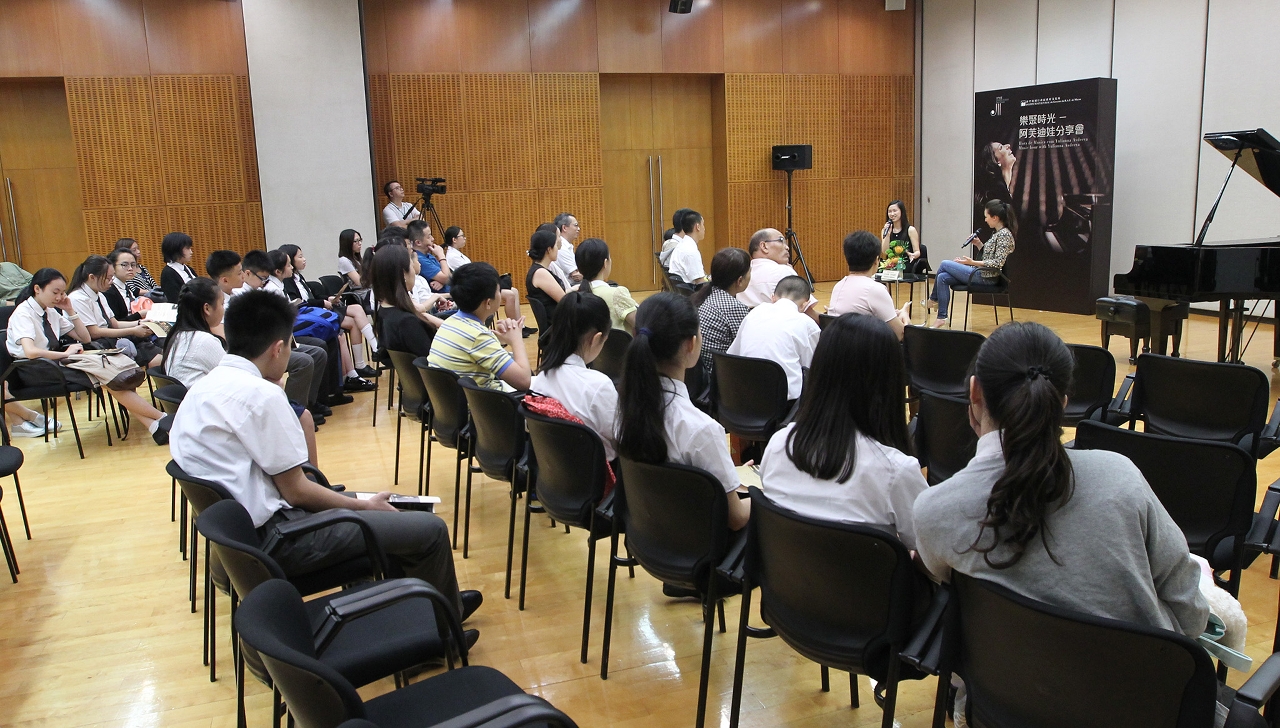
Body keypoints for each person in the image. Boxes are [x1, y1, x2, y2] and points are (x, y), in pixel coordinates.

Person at [169, 289, 482, 634]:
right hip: (283, 539)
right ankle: (439, 632)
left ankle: (419, 611)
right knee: (428, 528)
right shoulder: (260, 395)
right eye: (291, 346)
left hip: (244, 543)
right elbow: (297, 492)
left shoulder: (206, 386)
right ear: (277, 348)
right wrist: (359, 508)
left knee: (388, 515)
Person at [913, 321, 1207, 638]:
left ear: (974, 392)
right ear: (1062, 405)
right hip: (1133, 683)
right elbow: (1190, 616)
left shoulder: (934, 511)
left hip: (1002, 686)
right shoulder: (1121, 479)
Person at [759, 313, 927, 549]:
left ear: (819, 372)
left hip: (787, 583)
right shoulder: (896, 471)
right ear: (890, 383)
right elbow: (933, 558)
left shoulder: (780, 443)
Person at [616, 293, 750, 532]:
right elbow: (737, 518)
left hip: (650, 535)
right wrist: (764, 495)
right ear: (691, 344)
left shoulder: (624, 408)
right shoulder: (702, 430)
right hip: (699, 547)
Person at [6, 268, 169, 444]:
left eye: (62, 292)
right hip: (33, 369)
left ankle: (154, 425)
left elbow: (85, 338)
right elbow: (30, 352)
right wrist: (64, 354)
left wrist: (70, 311)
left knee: (112, 375)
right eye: (55, 292)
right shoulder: (23, 313)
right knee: (107, 375)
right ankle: (161, 418)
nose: (60, 297)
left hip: (53, 362)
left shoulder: (50, 310)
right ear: (37, 289)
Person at [530, 291, 618, 461]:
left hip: (552, 476)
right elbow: (620, 438)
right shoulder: (599, 385)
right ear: (596, 338)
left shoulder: (539, 379)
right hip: (598, 478)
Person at [427, 262, 532, 391]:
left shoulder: (450, 322)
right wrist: (517, 339)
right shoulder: (478, 336)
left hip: (455, 404)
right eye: (498, 291)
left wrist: (501, 339)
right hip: (486, 408)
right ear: (488, 303)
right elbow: (524, 381)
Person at [726, 275, 820, 402]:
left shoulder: (755, 312)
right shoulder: (807, 324)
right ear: (805, 304)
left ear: (773, 298)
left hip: (742, 398)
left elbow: (733, 354)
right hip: (785, 405)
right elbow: (814, 371)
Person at [927, 199, 1016, 328]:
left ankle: (933, 299)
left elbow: (997, 263)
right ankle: (941, 317)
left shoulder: (1004, 235)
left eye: (987, 217)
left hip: (987, 278)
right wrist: (979, 244)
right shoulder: (997, 233)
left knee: (944, 264)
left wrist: (972, 262)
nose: (985, 220)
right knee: (942, 278)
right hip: (983, 274)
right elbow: (990, 255)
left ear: (995, 218)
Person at [67, 255, 164, 368]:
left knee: (163, 352)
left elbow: (115, 323)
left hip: (112, 340)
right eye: (108, 278)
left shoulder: (100, 295)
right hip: (97, 346)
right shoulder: (77, 298)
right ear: (92, 277)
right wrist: (132, 330)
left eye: (112, 278)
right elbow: (94, 332)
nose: (111, 282)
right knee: (158, 360)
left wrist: (140, 323)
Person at [827, 230, 913, 340]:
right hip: (864, 351)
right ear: (876, 261)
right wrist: (905, 316)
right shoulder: (875, 289)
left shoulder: (838, 286)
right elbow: (900, 334)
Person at [371, 244, 442, 358]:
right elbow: (431, 362)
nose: (414, 271)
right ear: (403, 273)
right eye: (411, 266)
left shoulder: (385, 310)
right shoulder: (407, 322)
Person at [442, 226, 524, 324]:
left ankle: (521, 325)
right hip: (473, 289)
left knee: (514, 291)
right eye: (462, 236)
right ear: (454, 239)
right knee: (510, 295)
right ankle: (514, 325)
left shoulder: (457, 254)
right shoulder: (452, 256)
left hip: (475, 284)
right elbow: (471, 273)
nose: (465, 238)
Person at [690, 247, 751, 376]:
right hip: (720, 379)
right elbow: (748, 347)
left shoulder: (705, 295)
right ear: (740, 281)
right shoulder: (734, 307)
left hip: (701, 373)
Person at [737, 228, 817, 316]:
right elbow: (809, 314)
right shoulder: (782, 271)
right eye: (781, 240)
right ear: (764, 246)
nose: (787, 247)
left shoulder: (740, 274)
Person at [574, 238, 638, 333]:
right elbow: (641, 324)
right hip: (619, 348)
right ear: (605, 263)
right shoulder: (616, 294)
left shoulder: (574, 295)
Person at [525, 227, 569, 327]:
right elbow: (565, 301)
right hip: (557, 328)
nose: (557, 249)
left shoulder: (540, 270)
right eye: (555, 246)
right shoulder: (540, 273)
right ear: (549, 250)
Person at [880, 200, 925, 274]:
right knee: (881, 270)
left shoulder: (910, 230)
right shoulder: (885, 230)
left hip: (905, 263)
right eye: (889, 211)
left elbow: (917, 251)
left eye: (895, 211)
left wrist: (913, 255)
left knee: (898, 269)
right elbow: (885, 252)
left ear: (901, 212)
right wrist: (887, 235)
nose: (892, 214)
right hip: (891, 263)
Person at [407, 220, 451, 293]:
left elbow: (449, 276)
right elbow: (447, 277)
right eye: (429, 236)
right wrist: (441, 256)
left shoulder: (428, 255)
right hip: (440, 300)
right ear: (418, 242)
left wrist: (442, 282)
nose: (432, 239)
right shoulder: (419, 259)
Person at [667, 209, 708, 285]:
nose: (704, 228)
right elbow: (700, 283)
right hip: (693, 294)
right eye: (703, 224)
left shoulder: (682, 245)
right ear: (698, 227)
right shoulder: (690, 251)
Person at [104, 248, 144, 322]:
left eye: (133, 265)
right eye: (125, 265)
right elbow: (116, 323)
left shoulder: (126, 286)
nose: (130, 268)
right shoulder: (109, 290)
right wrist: (139, 315)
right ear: (112, 267)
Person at [159, 232, 198, 304]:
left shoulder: (188, 269)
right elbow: (175, 299)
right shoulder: (168, 273)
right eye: (188, 248)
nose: (191, 252)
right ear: (177, 250)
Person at [552, 212, 582, 283]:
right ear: (564, 228)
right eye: (576, 225)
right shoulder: (561, 247)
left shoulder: (568, 246)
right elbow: (576, 276)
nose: (579, 229)